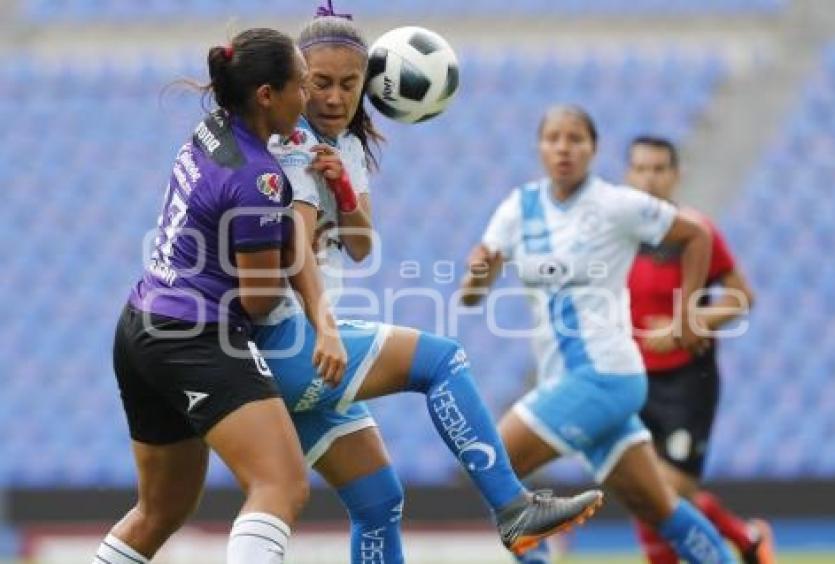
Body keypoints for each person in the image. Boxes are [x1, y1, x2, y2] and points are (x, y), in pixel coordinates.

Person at [255, 6, 604, 563]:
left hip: (304, 349)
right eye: (320, 83)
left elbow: (362, 245)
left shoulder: (343, 148)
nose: (336, 97)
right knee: (442, 361)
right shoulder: (282, 145)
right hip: (285, 342)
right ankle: (513, 508)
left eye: (349, 85)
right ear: (298, 81)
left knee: (378, 501)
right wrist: (323, 323)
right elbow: (286, 249)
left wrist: (343, 189)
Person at [92, 29, 335, 564]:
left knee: (161, 511)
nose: (309, 98)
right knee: (282, 485)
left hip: (141, 325)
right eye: (299, 85)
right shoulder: (260, 179)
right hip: (194, 336)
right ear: (266, 94)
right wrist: (299, 243)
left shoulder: (208, 131)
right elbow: (259, 299)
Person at [459, 105, 737, 564]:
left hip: (604, 373)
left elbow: (696, 236)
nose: (564, 148)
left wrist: (688, 313)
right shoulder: (518, 208)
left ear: (594, 149)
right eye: (554, 138)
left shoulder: (615, 204)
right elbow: (471, 296)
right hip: (567, 381)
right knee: (660, 507)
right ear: (540, 146)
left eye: (575, 139)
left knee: (494, 461)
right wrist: (477, 277)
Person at [626, 136, 774, 564]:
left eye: (658, 169)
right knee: (640, 488)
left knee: (670, 493)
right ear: (627, 175)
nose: (649, 179)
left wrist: (685, 324)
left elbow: (742, 297)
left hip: (685, 381)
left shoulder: (695, 234)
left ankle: (741, 539)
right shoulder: (615, 237)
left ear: (676, 176)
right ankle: (745, 538)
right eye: (640, 169)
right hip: (631, 379)